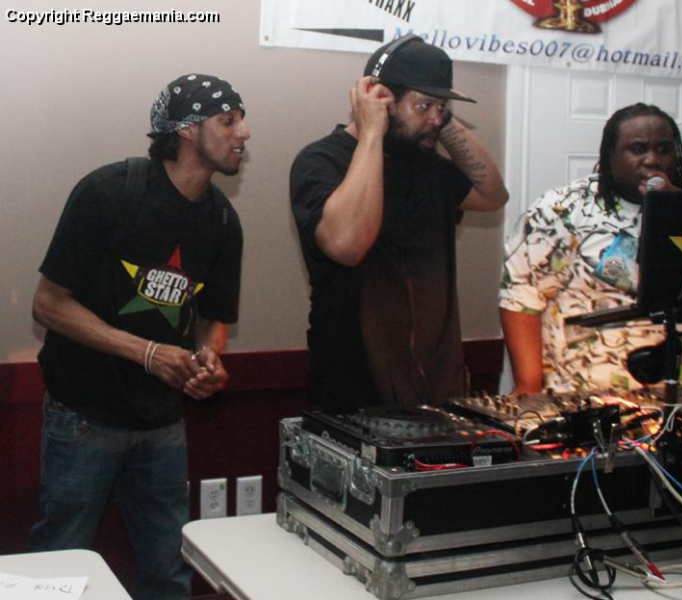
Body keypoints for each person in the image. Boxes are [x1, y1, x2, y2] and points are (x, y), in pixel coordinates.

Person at [30, 73, 249, 600]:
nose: (244, 132)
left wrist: (207, 360)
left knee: (169, 568)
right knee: (60, 563)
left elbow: (213, 319)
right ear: (188, 130)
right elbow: (48, 304)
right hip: (83, 415)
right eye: (228, 120)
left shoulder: (223, 221)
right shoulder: (109, 192)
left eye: (242, 120)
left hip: (163, 423)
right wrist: (147, 353)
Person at [291, 35, 508, 413]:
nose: (436, 118)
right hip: (354, 393)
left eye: (442, 107)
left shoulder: (428, 165)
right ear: (379, 99)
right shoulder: (320, 161)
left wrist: (439, 115)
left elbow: (492, 195)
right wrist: (371, 131)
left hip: (435, 392)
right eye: (423, 105)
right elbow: (347, 245)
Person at [500, 103, 682, 395]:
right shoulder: (561, 211)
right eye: (637, 149)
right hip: (580, 397)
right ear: (610, 155)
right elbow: (520, 297)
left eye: (664, 148)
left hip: (677, 396)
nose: (652, 159)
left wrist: (680, 212)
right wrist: (528, 386)